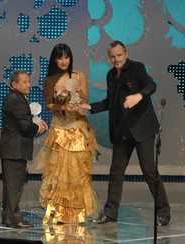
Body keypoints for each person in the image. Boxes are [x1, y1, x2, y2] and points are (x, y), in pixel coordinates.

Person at [81, 40, 170, 225]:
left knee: (149, 170)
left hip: (142, 128)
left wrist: (138, 96)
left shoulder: (137, 68)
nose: (116, 59)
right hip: (122, 130)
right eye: (113, 56)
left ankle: (163, 211)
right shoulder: (111, 75)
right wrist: (90, 107)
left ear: (126, 54)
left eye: (119, 55)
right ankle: (110, 213)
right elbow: (110, 102)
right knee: (116, 171)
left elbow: (151, 85)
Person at [34, 43, 100, 225]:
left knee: (78, 172)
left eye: (66, 57)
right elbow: (48, 104)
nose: (64, 61)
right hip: (60, 129)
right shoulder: (50, 80)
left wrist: (77, 98)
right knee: (58, 172)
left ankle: (78, 213)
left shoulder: (79, 75)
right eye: (60, 57)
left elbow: (85, 100)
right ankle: (58, 212)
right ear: (54, 59)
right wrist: (62, 104)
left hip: (78, 128)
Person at [0, 70, 48, 228]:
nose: (29, 85)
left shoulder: (16, 98)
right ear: (14, 84)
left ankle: (9, 216)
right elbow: (25, 126)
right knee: (14, 186)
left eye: (28, 81)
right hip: (14, 149)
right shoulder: (16, 100)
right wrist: (38, 127)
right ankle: (13, 217)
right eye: (24, 82)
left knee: (12, 185)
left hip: (13, 149)